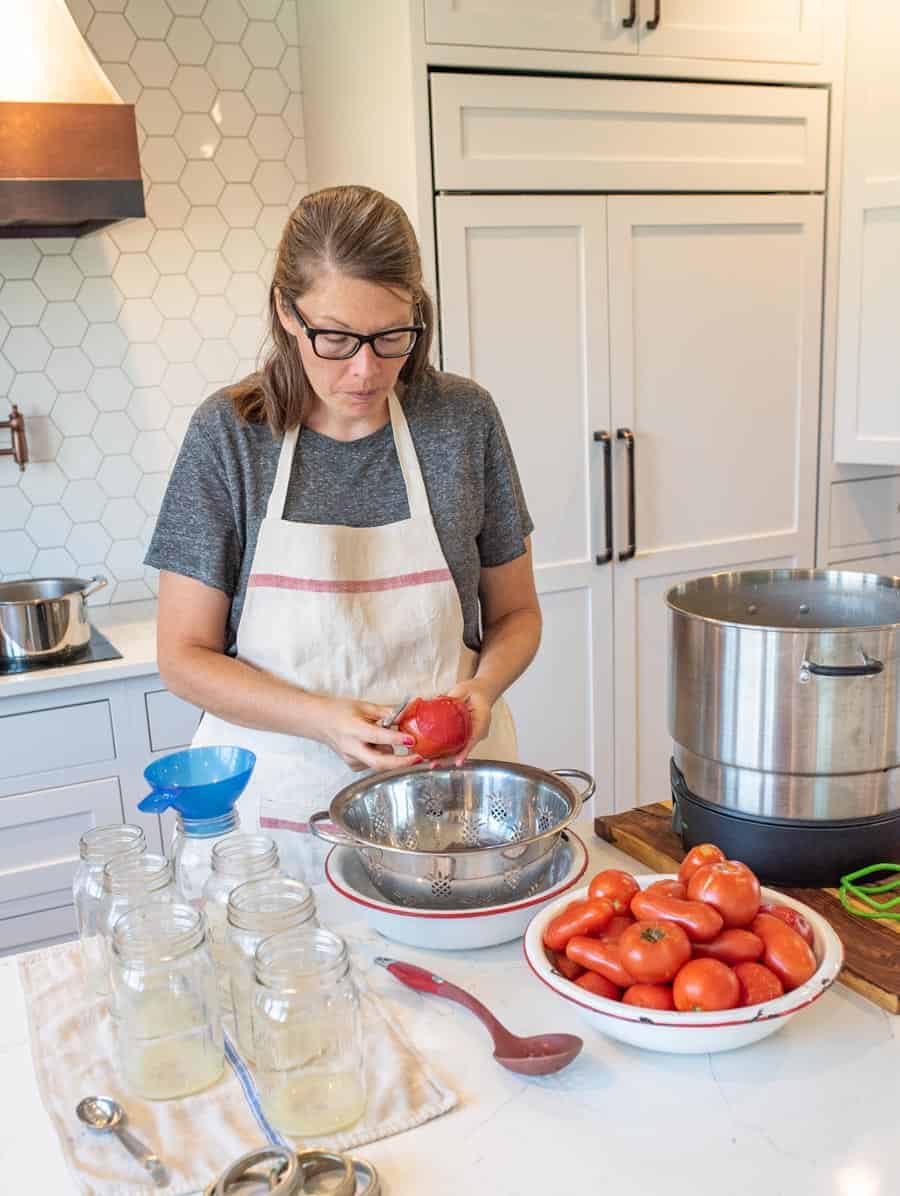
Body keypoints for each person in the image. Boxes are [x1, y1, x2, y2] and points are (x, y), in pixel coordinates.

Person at [145, 184, 542, 881]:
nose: (365, 370)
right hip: (281, 815)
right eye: (335, 338)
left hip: (450, 803)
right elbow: (183, 657)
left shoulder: (463, 420)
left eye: (392, 338)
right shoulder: (231, 436)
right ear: (284, 313)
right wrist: (323, 719)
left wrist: (482, 691)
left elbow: (516, 613)